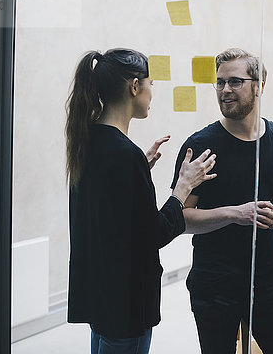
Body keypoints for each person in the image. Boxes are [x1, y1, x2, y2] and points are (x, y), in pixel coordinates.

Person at [65, 48, 216, 354]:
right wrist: (182, 189)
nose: (152, 92)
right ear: (134, 87)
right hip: (125, 302)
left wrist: (139, 170)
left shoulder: (91, 139)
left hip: (102, 295)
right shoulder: (124, 154)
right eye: (150, 84)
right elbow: (154, 233)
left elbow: (107, 211)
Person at [171, 48, 273, 354]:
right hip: (214, 282)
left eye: (235, 82)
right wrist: (235, 214)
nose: (225, 90)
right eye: (219, 83)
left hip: (268, 279)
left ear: (259, 86)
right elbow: (181, 218)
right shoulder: (200, 146)